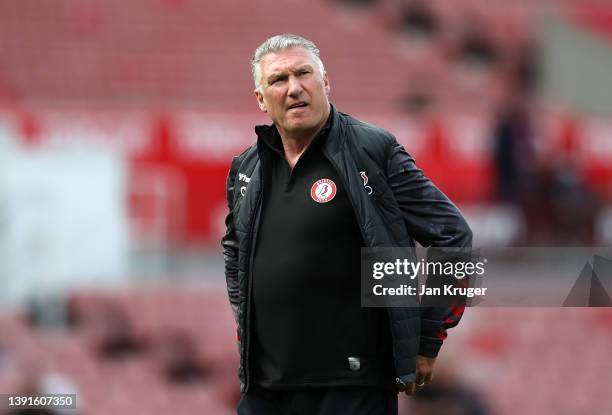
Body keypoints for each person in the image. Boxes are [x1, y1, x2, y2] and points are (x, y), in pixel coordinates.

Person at [222, 34, 472, 415]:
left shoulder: (372, 149)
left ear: (325, 83)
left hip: (353, 385)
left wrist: (428, 339)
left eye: (303, 74)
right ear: (261, 99)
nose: (294, 88)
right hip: (266, 387)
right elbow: (235, 252)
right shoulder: (247, 167)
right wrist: (246, 327)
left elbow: (455, 237)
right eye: (278, 80)